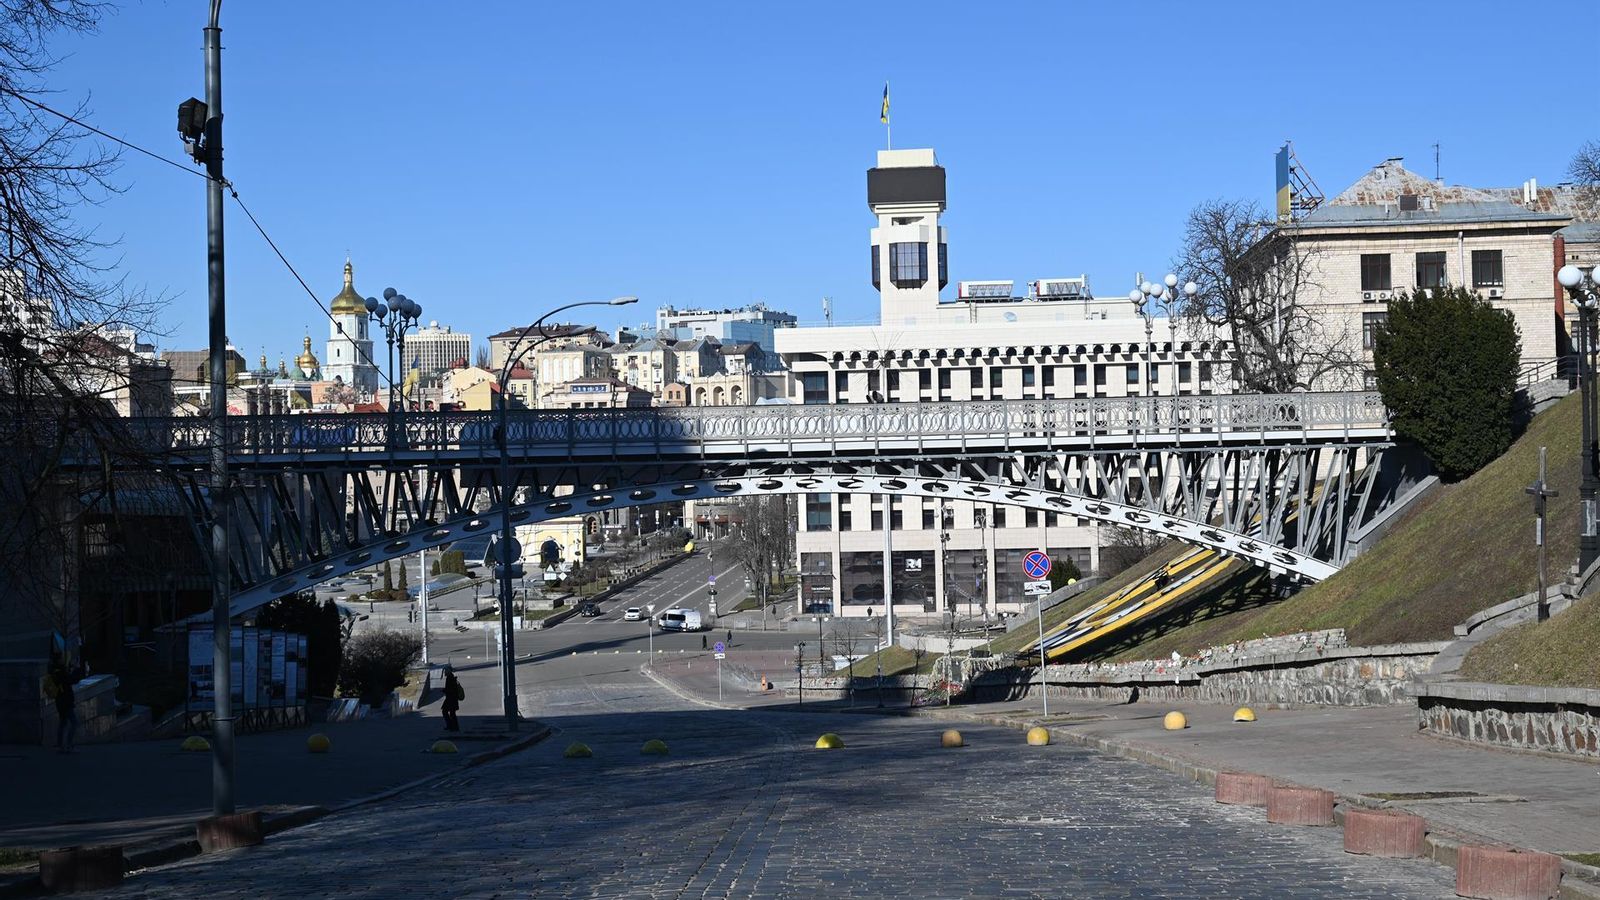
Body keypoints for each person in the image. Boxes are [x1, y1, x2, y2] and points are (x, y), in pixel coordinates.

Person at [50, 660, 84, 753]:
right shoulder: (62, 674)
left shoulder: (56, 673)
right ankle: (69, 745)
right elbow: (73, 680)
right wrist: (76, 669)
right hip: (66, 702)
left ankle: (60, 745)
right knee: (74, 723)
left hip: (60, 702)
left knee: (63, 723)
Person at [440, 666, 463, 733]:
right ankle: (452, 726)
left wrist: (444, 690)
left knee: (447, 712)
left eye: (445, 671)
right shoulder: (450, 677)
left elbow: (450, 689)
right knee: (451, 713)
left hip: (451, 699)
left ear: (448, 671)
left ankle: (453, 726)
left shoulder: (450, 678)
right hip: (451, 699)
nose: (444, 672)